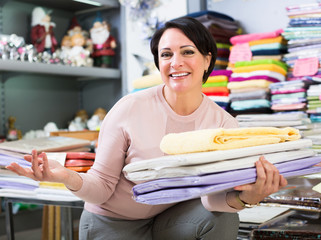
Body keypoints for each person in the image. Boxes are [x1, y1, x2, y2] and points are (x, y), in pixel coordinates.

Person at [7, 16, 287, 240]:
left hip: (169, 221)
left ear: (208, 60)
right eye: (166, 54)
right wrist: (67, 176)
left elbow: (213, 198)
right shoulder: (130, 108)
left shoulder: (223, 123)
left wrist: (247, 198)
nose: (175, 62)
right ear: (159, 64)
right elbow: (102, 187)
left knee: (225, 218)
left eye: (187, 52)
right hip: (113, 223)